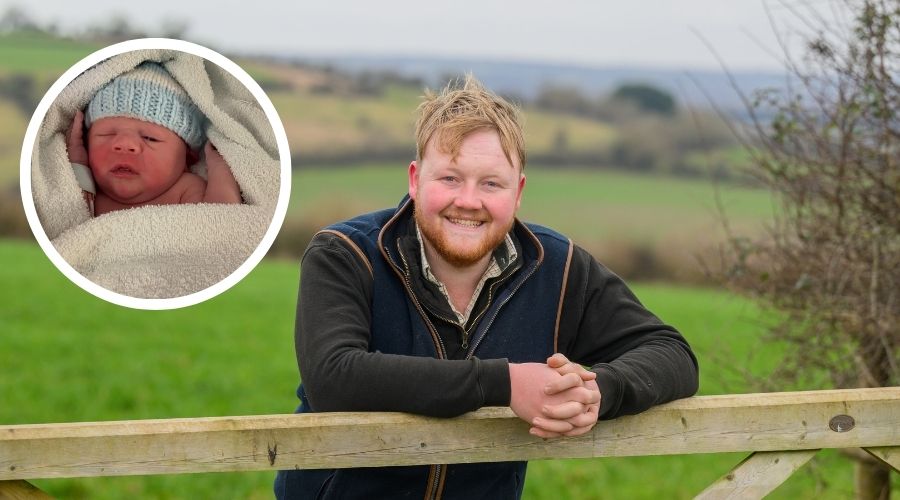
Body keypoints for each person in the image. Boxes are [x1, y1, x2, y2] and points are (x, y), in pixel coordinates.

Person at [275, 75, 698, 499]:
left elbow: (672, 353)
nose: (469, 201)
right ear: (415, 179)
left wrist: (598, 391)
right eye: (450, 179)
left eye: (491, 183)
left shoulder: (559, 267)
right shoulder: (346, 253)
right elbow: (333, 377)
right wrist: (506, 384)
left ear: (518, 193)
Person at [65, 62, 241, 216]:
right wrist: (78, 163)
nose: (124, 144)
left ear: (188, 156)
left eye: (150, 138)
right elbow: (66, 214)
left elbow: (221, 220)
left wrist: (219, 166)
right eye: (106, 134)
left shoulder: (184, 189)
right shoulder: (89, 190)